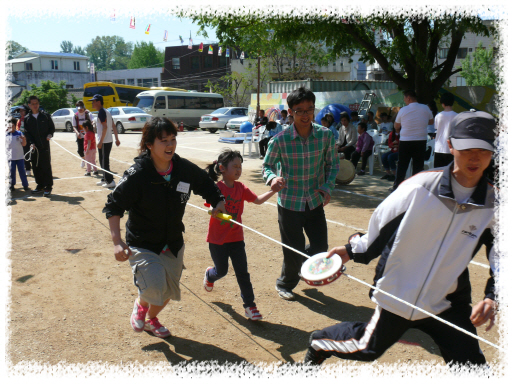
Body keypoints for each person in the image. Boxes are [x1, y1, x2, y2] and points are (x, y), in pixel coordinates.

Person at [304, 110, 497, 368]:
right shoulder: (419, 187)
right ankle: (319, 342)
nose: (475, 157)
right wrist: (352, 250)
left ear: (494, 152)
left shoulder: (495, 206)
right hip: (400, 293)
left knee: (471, 366)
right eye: (466, 148)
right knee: (366, 348)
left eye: (483, 150)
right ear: (450, 146)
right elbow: (381, 224)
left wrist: (494, 295)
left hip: (446, 302)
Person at [103, 117, 226, 338]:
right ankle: (140, 306)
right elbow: (113, 206)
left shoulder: (182, 169)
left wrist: (218, 201)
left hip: (173, 242)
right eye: (163, 141)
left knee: (168, 292)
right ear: (149, 144)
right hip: (142, 242)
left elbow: (206, 185)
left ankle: (151, 320)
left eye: (173, 139)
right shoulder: (137, 175)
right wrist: (116, 242)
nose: (170, 145)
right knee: (155, 284)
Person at [262, 87, 339, 300]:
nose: (305, 114)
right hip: (289, 203)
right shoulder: (280, 140)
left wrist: (327, 187)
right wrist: (272, 179)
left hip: (314, 201)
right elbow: (267, 166)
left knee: (320, 247)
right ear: (290, 112)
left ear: (314, 110)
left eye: (309, 109)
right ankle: (285, 283)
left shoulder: (325, 136)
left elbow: (333, 165)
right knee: (291, 249)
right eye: (299, 110)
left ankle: (302, 263)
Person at [203, 149, 276, 320]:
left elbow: (257, 200)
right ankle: (210, 275)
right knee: (221, 271)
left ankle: (250, 306)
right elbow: (209, 205)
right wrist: (214, 210)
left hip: (236, 238)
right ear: (222, 168)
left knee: (243, 273)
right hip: (217, 240)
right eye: (234, 166)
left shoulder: (240, 188)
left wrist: (274, 190)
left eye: (240, 166)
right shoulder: (216, 189)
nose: (238, 170)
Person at [391, 90, 433, 192]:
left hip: (406, 140)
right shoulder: (425, 108)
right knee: (418, 165)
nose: (404, 100)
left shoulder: (403, 110)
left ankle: (397, 186)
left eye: (404, 98)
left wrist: (399, 130)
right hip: (420, 140)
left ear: (408, 98)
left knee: (402, 165)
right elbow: (431, 121)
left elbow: (396, 125)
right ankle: (417, 187)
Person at [23, 95, 55, 197]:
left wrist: (50, 134)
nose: (35, 105)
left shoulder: (45, 116)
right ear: (29, 105)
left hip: (44, 146)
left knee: (45, 166)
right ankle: (40, 185)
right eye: (32, 104)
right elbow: (27, 133)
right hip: (33, 147)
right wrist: (31, 143)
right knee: (36, 166)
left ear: (39, 104)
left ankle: (48, 187)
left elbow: (51, 128)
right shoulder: (27, 119)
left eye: (36, 103)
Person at [89, 94, 120, 188]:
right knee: (103, 160)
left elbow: (105, 127)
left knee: (104, 162)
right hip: (107, 141)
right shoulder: (107, 111)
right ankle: (105, 179)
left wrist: (100, 141)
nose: (92, 103)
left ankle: (110, 181)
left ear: (99, 102)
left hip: (105, 141)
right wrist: (117, 139)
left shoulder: (102, 112)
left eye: (94, 101)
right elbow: (113, 126)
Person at [434, 93, 458, 168]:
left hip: (439, 148)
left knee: (438, 172)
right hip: (452, 148)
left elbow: (436, 128)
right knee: (451, 172)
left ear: (443, 104)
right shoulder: (457, 116)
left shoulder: (438, 116)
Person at [6, 117, 30, 192]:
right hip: (10, 158)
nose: (10, 127)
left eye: (12, 125)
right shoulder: (5, 135)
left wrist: (24, 139)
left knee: (22, 171)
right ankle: (12, 185)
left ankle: (25, 185)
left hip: (19, 157)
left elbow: (24, 144)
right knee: (11, 172)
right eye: (8, 126)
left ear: (14, 125)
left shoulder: (19, 133)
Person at [72, 100, 92, 169]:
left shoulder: (88, 114)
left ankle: (91, 163)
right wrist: (77, 133)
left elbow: (93, 121)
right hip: (80, 136)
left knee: (89, 150)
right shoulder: (75, 116)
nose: (80, 109)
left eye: (81, 107)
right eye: (78, 108)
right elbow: (74, 126)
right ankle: (83, 159)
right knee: (80, 151)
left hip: (88, 136)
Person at [15, 105, 32, 176]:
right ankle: (28, 168)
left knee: (33, 153)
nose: (21, 112)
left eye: (23, 111)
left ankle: (36, 168)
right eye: (20, 111)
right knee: (25, 154)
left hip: (31, 139)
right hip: (23, 139)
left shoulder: (30, 118)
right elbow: (17, 129)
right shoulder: (19, 120)